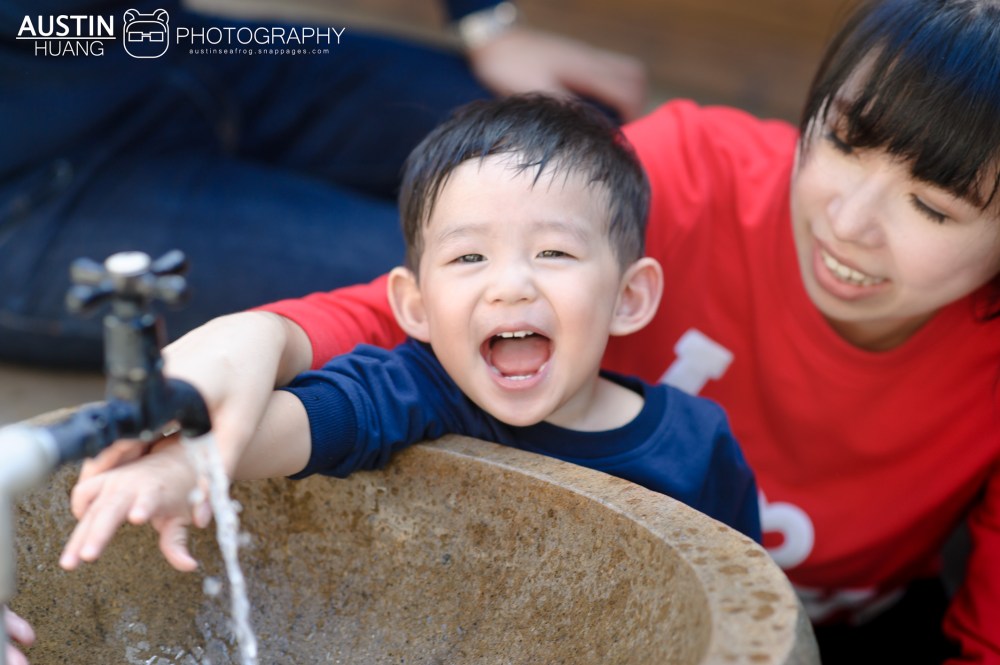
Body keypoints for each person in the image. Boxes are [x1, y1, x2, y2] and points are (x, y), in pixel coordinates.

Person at [8, 0, 998, 661]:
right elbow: (364, 389)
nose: (847, 219)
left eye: (935, 207)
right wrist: (249, 345)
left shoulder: (696, 441)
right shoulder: (688, 177)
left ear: (635, 294)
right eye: (839, 140)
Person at [0, 0, 645, 369]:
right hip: (31, 188)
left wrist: (486, 20)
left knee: (579, 152)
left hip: (144, 43)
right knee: (469, 296)